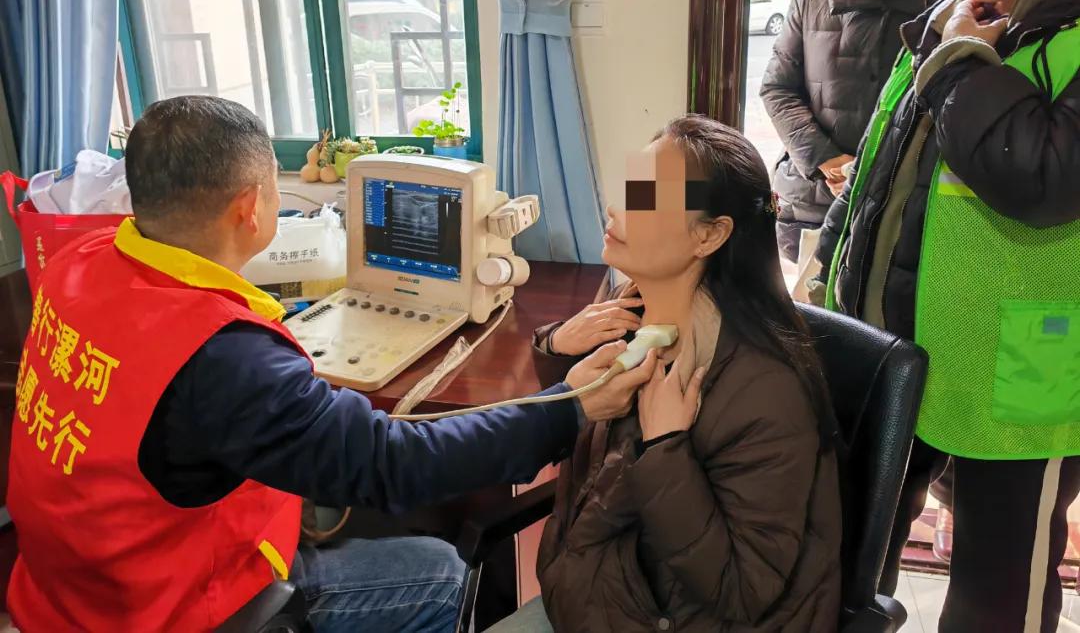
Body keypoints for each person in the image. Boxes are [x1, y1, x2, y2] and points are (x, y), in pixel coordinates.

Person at [6, 96, 657, 633]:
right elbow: (389, 463)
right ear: (250, 207)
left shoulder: (76, 263)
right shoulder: (225, 358)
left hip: (59, 591)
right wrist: (568, 410)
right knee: (442, 573)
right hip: (163, 610)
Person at [811, 0, 1080, 628]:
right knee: (849, 563)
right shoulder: (949, 16)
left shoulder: (987, 40)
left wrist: (961, 64)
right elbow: (880, 170)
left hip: (1024, 382)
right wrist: (827, 272)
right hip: (897, 349)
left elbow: (1044, 176)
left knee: (995, 598)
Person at [491, 116, 842, 632]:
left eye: (647, 198)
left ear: (709, 235)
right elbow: (583, 430)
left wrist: (666, 449)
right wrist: (558, 347)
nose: (616, 209)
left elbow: (740, 592)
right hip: (594, 597)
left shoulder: (765, 390)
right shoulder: (630, 311)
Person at [761, 0, 961, 267]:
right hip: (815, 200)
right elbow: (777, 87)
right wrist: (826, 160)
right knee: (810, 305)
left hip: (908, 211)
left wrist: (879, 174)